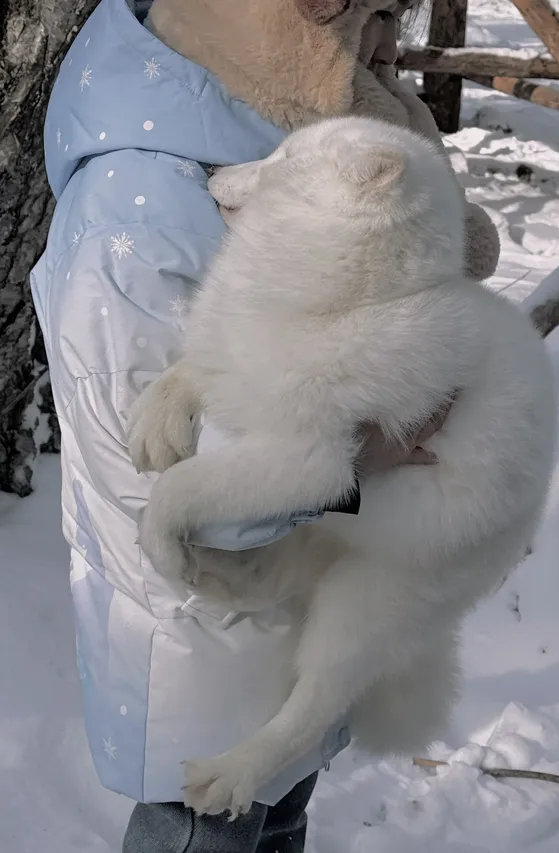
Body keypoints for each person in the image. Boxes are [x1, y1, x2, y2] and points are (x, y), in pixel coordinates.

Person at [30, 1, 500, 850]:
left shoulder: (254, 151)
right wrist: (383, 444)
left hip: (277, 629)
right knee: (201, 830)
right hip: (201, 658)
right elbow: (188, 487)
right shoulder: (138, 213)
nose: (390, 52)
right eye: (372, 23)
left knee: (277, 817)